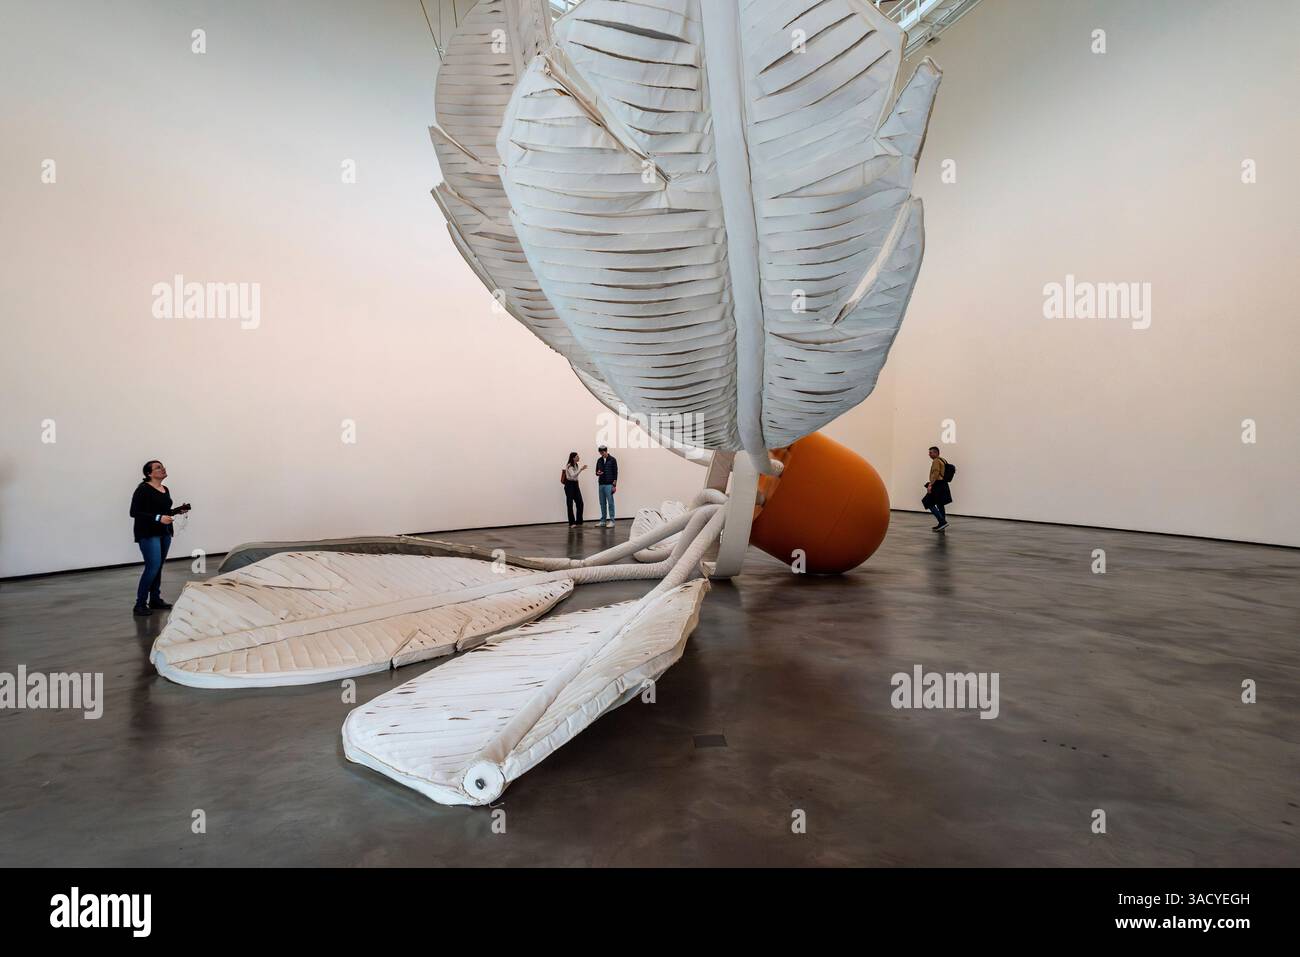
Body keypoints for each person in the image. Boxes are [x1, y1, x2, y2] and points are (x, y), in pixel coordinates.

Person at [129, 460, 190, 616]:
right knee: (152, 567)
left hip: (164, 532)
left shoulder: (165, 489)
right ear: (149, 473)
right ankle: (140, 604)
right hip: (148, 533)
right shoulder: (143, 489)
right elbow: (134, 512)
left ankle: (155, 599)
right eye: (158, 467)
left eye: (162, 466)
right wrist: (158, 518)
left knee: (158, 567)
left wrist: (177, 510)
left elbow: (164, 511)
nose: (162, 469)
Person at [922, 446, 951, 532]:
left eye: (931, 453)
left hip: (937, 484)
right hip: (943, 484)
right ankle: (942, 524)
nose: (929, 454)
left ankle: (942, 521)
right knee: (940, 504)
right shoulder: (943, 460)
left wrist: (930, 485)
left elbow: (935, 473)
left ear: (936, 453)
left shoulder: (936, 461)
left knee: (928, 502)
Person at [595, 444, 618, 528]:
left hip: (609, 484)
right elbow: (596, 472)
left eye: (603, 452)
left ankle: (612, 521)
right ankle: (603, 521)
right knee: (602, 503)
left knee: (610, 503)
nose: (601, 454)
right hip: (601, 484)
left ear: (606, 451)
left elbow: (615, 473)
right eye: (600, 453)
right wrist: (598, 473)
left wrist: (614, 485)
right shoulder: (599, 460)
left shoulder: (612, 460)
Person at [562, 452, 587, 525]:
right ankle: (571, 522)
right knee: (570, 504)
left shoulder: (576, 465)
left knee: (580, 503)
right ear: (573, 458)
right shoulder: (569, 466)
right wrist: (581, 469)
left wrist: (580, 470)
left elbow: (575, 477)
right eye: (577, 456)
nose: (579, 457)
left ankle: (579, 521)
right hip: (569, 485)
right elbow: (572, 475)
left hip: (575, 485)